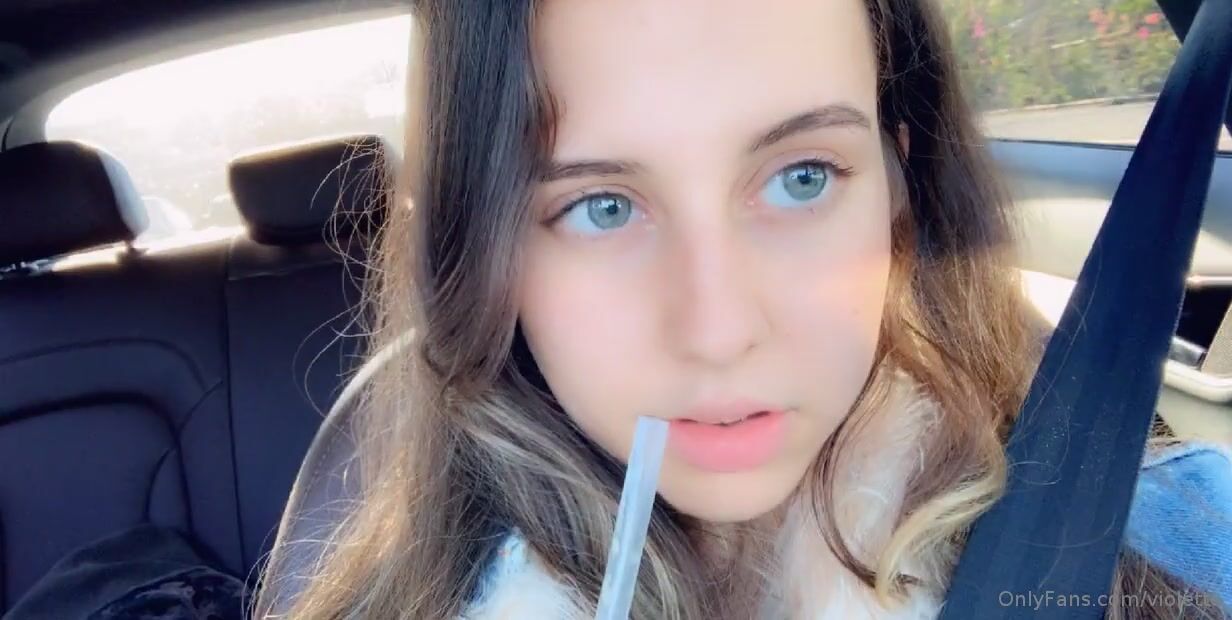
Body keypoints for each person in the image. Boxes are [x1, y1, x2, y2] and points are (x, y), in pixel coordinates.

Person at [255, 0, 1232, 617]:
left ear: (895, 181)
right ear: (487, 251)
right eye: (601, 207)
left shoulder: (1172, 534)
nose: (718, 331)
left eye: (802, 177)